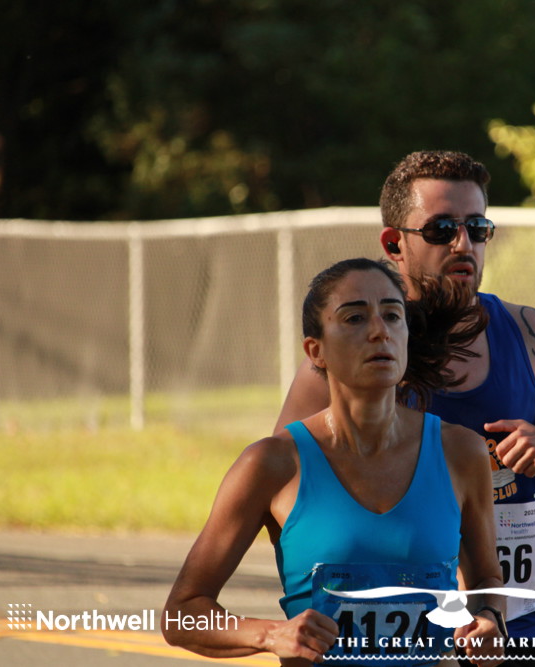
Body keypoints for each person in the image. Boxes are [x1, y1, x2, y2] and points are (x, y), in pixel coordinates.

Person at [275, 151, 535, 665]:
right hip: (401, 644)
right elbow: (282, 495)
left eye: (477, 228)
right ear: (394, 244)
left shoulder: (530, 335)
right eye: (441, 230)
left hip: (514, 633)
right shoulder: (354, 353)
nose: (463, 244)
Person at [165, 258, 506, 667]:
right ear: (317, 350)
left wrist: (490, 619)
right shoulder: (273, 464)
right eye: (355, 318)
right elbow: (182, 614)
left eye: (392, 316)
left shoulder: (461, 452)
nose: (379, 331)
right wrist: (271, 634)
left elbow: (486, 579)